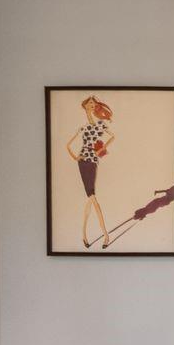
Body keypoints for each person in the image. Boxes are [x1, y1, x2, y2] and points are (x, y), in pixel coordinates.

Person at [63, 94, 114, 247]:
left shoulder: (100, 125)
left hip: (93, 161)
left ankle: (85, 235)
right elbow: (68, 145)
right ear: (85, 107)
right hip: (83, 162)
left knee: (90, 197)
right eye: (89, 104)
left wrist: (102, 149)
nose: (92, 106)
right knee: (92, 197)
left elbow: (112, 137)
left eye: (93, 104)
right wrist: (75, 157)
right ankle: (105, 235)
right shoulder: (83, 127)